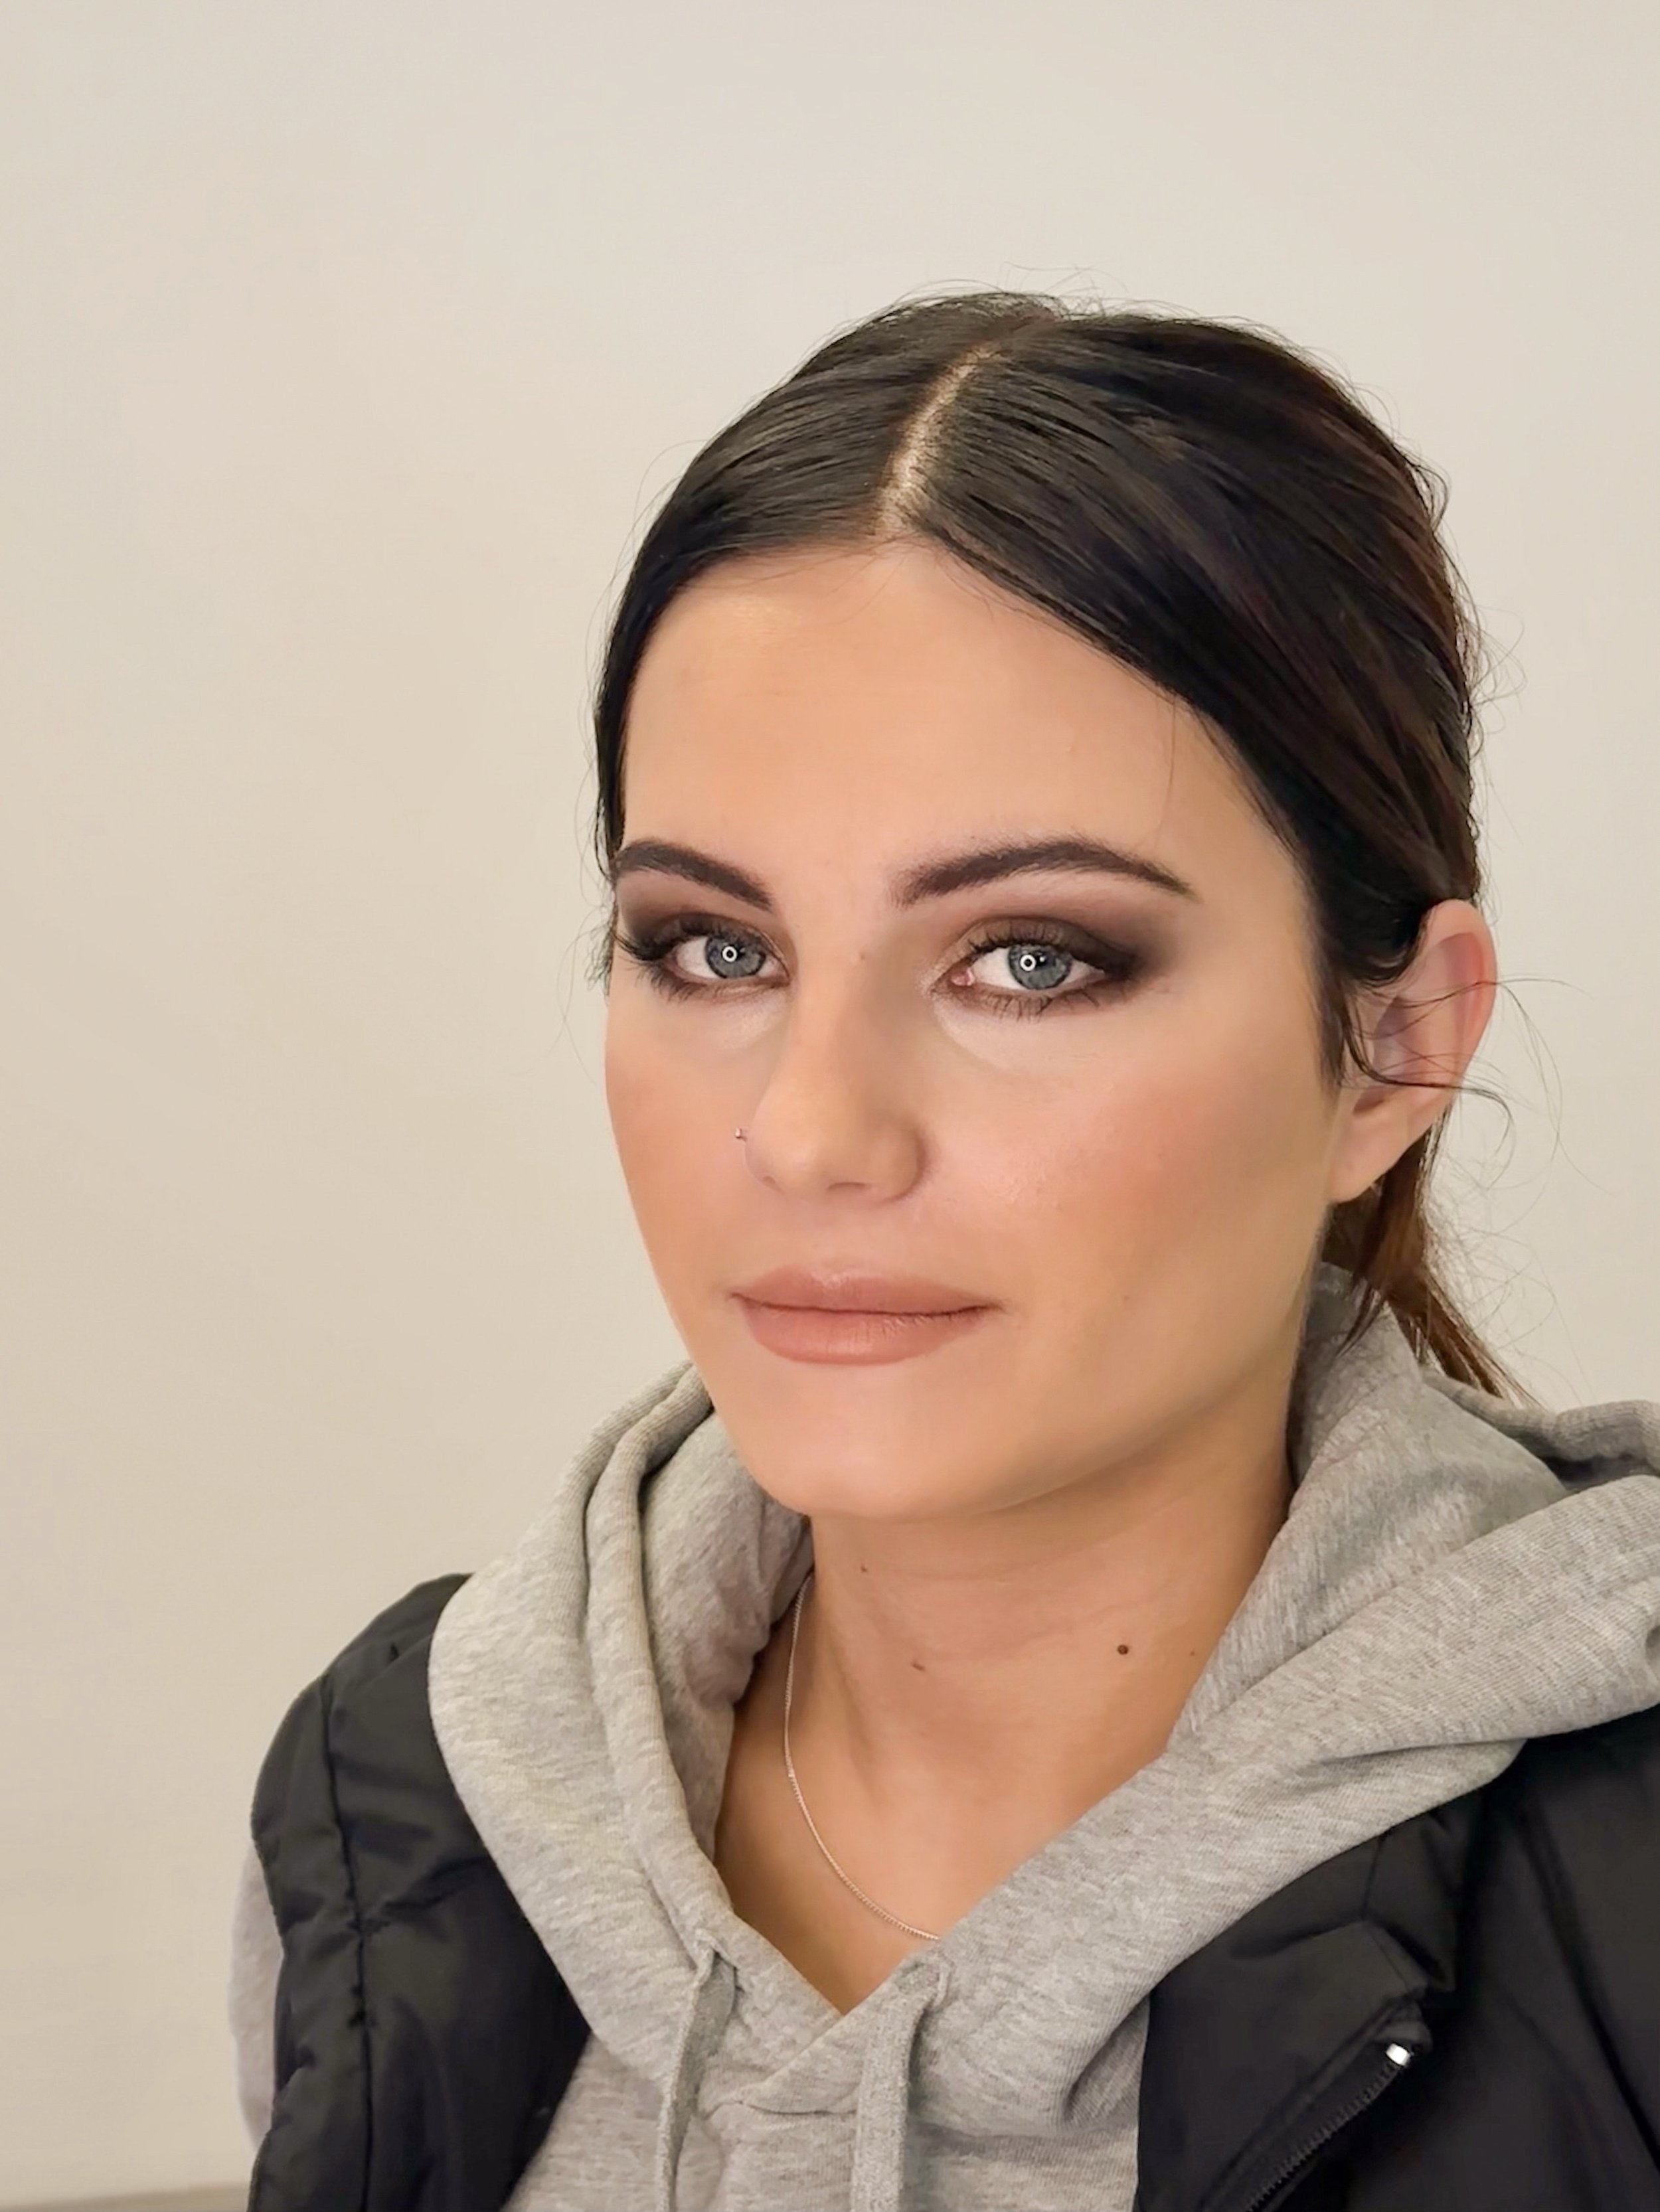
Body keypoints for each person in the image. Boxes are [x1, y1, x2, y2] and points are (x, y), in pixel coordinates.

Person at [228, 291, 1660, 2212]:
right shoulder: (397, 1806)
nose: (814, 1131)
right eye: (713, 948)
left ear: (1397, 1044)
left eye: (1032, 960)